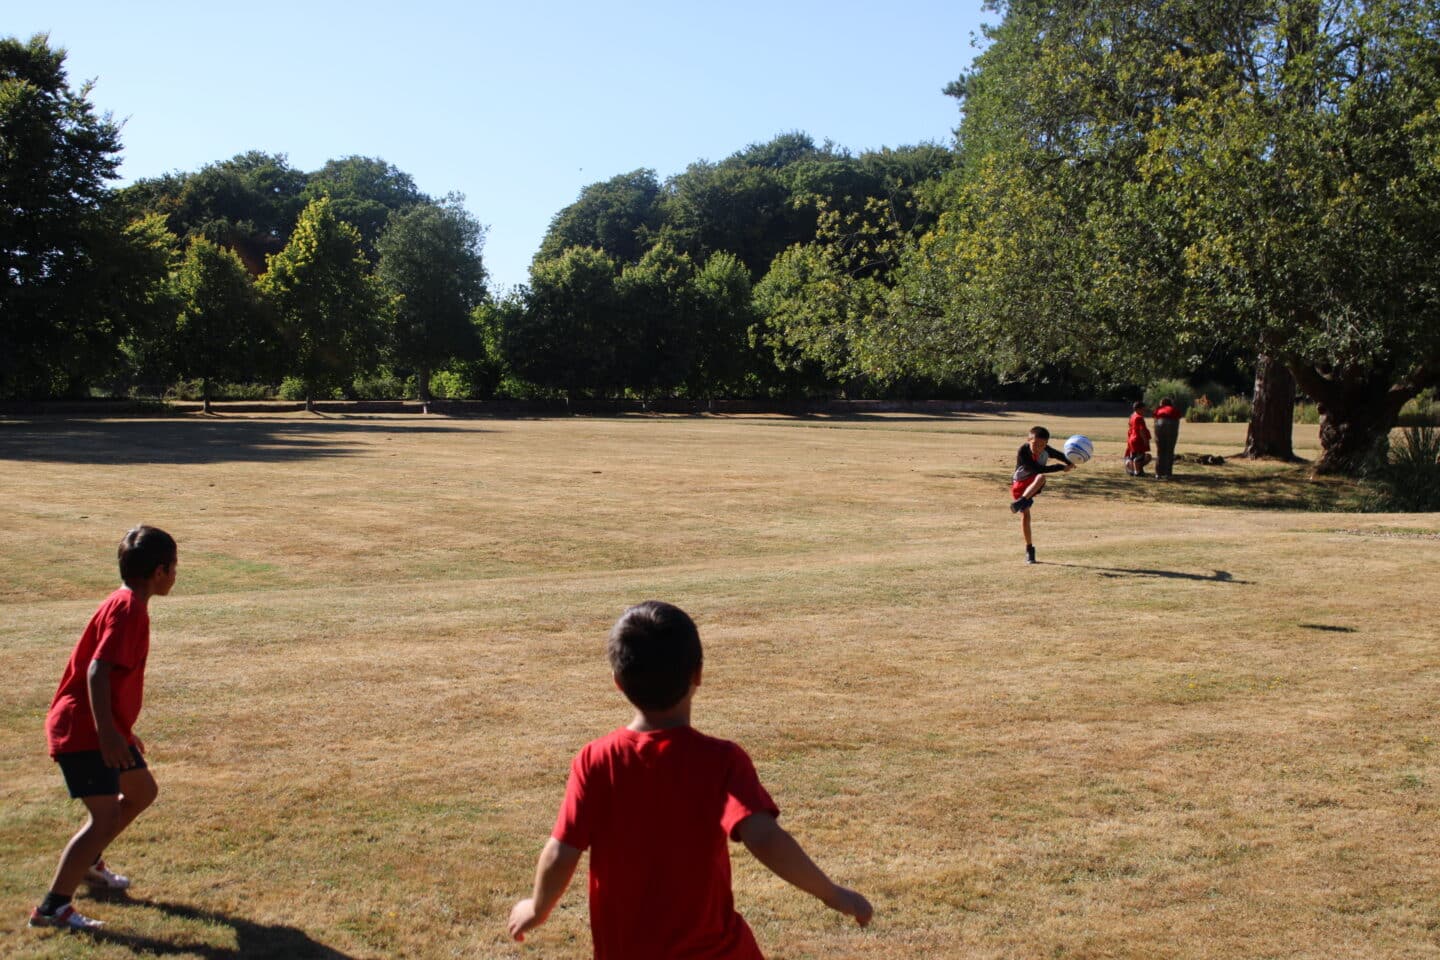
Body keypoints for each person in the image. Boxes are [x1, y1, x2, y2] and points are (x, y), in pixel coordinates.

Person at [508, 601, 872, 958]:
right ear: (698, 674)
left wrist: (537, 908)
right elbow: (765, 838)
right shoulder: (721, 761)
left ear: (618, 682)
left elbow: (561, 851)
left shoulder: (597, 760)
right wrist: (832, 893)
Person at [29, 525, 178, 932]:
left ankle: (91, 864)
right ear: (161, 570)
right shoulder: (128, 607)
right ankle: (53, 908)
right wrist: (109, 734)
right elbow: (97, 671)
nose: (176, 574)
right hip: (82, 728)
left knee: (142, 791)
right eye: (175, 566)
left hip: (101, 726)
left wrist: (121, 731)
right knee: (105, 816)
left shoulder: (128, 602)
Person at [1010, 425, 1075, 565]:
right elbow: (1036, 468)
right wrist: (1061, 467)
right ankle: (1029, 549)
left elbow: (1059, 455)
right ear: (1028, 440)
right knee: (1026, 515)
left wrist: (1070, 462)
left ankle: (1021, 502)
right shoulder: (1023, 450)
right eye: (1035, 444)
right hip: (1020, 484)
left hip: (1033, 485)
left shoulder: (1046, 449)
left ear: (1046, 444)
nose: (1038, 448)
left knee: (1040, 478)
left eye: (1042, 445)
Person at [1152, 397, 1182, 479]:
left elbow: (1155, 418)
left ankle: (1158, 473)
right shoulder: (1174, 409)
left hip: (1159, 426)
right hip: (1171, 427)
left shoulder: (1158, 409)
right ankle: (1168, 473)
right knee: (1169, 450)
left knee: (1160, 451)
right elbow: (1178, 417)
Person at [1125, 402, 1153, 476]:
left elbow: (1130, 427)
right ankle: (1138, 471)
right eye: (1143, 409)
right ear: (1138, 409)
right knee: (1141, 456)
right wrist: (1145, 440)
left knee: (1133, 455)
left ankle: (1132, 470)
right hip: (1138, 439)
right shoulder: (1139, 417)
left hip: (1132, 438)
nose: (1144, 411)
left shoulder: (1132, 416)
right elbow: (1141, 430)